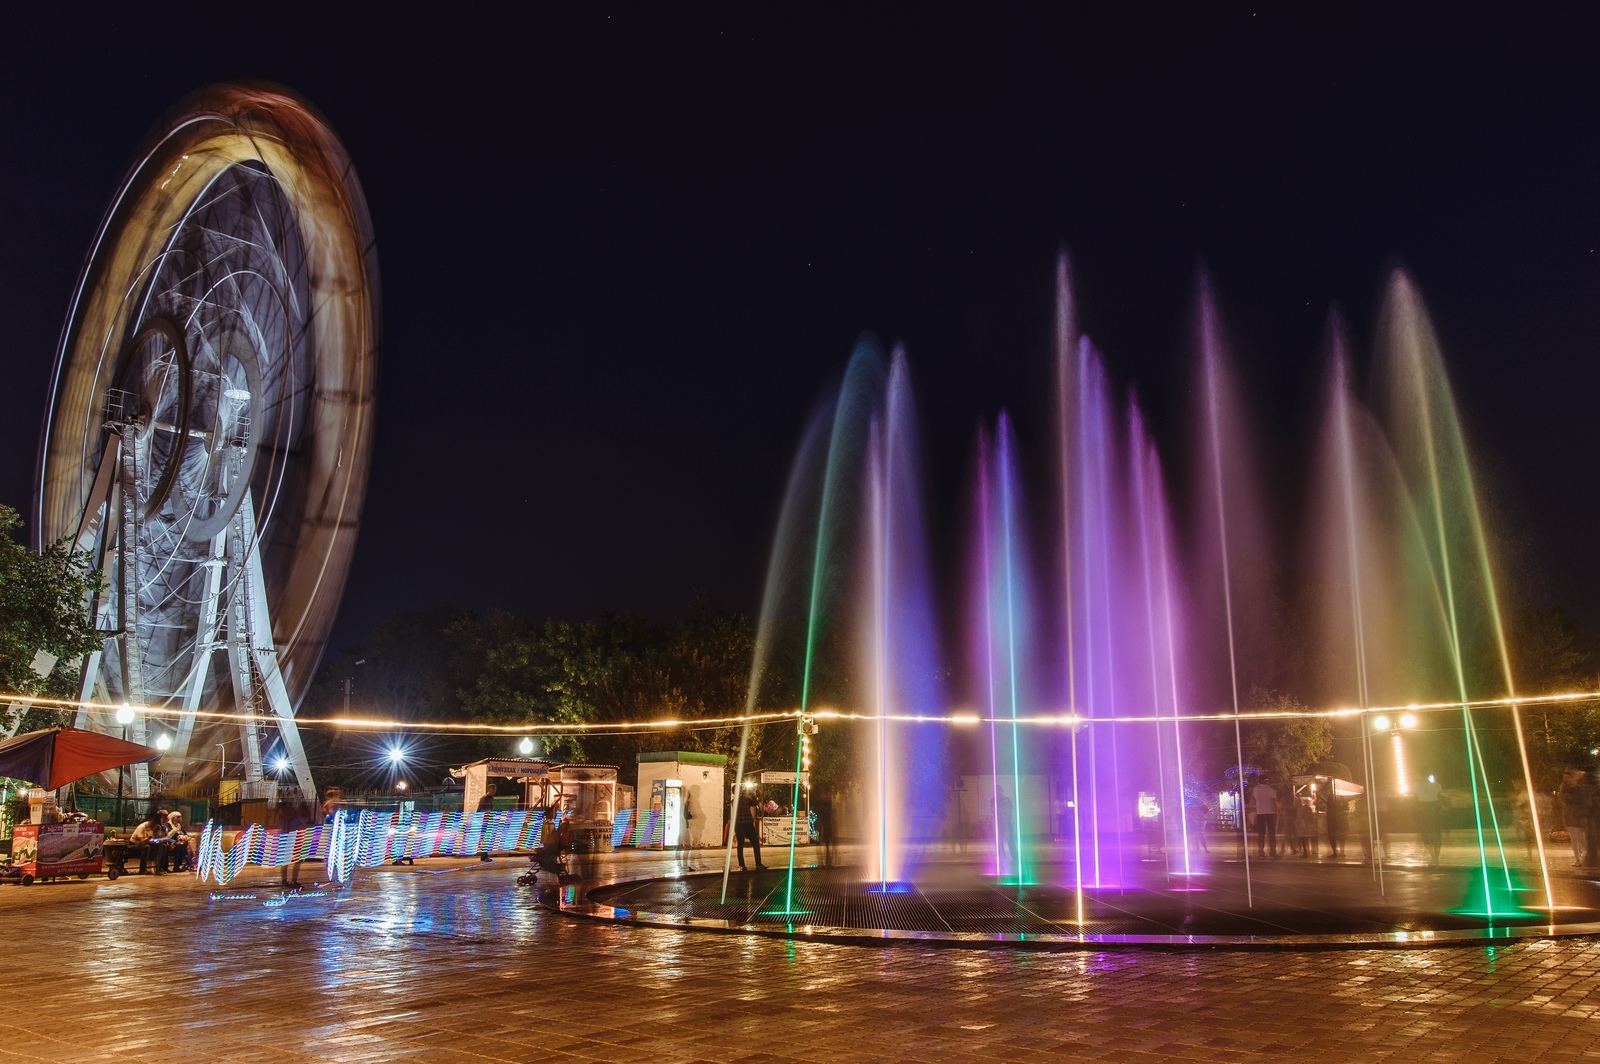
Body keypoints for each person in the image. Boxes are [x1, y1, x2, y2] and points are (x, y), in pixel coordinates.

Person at [278, 800, 310, 891]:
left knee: (297, 860)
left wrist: (303, 811)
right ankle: (284, 881)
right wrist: (296, 813)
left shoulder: (295, 813)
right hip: (286, 837)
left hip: (294, 837)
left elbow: (305, 819)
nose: (291, 806)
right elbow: (288, 817)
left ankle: (293, 880)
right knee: (286, 860)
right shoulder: (282, 811)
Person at [1560, 769, 1587, 867]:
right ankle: (1578, 859)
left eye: (1569, 778)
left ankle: (1583, 857)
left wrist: (1583, 816)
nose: (1567, 780)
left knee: (1581, 839)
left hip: (1578, 817)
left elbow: (1582, 803)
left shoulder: (1579, 789)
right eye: (1565, 778)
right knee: (1574, 839)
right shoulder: (1564, 789)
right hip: (1570, 817)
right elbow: (1563, 801)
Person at [1415, 772, 1444, 864]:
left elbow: (1415, 796)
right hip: (1435, 809)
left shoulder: (1417, 785)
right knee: (1436, 832)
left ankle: (1433, 856)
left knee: (1425, 833)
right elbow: (1440, 795)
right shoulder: (1436, 785)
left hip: (1423, 809)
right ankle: (1436, 856)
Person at [735, 791, 764, 871]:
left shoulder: (746, 799)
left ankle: (758, 864)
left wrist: (754, 794)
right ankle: (742, 865)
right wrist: (744, 796)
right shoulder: (735, 800)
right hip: (740, 824)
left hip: (748, 823)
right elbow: (741, 807)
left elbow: (754, 803)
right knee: (740, 845)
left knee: (756, 843)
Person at [1250, 779, 1279, 858]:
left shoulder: (1255, 790)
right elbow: (1275, 802)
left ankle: (1261, 852)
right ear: (1267, 781)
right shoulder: (1271, 790)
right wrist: (1277, 811)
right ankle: (1272, 852)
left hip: (1260, 813)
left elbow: (1253, 800)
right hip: (1270, 813)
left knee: (1261, 834)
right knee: (1271, 834)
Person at [130, 810, 164, 874]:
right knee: (146, 847)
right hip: (134, 845)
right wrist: (152, 835)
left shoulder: (156, 827)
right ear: (150, 819)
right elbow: (143, 841)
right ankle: (142, 869)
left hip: (148, 844)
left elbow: (157, 838)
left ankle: (159, 868)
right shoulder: (142, 827)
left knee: (162, 846)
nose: (154, 824)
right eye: (154, 822)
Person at [812, 792, 836, 868]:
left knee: (827, 847)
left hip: (826, 827)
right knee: (826, 847)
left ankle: (826, 863)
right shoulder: (824, 808)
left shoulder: (824, 808)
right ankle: (825, 863)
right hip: (825, 828)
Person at [477, 783, 498, 861]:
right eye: (492, 789)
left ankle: (485, 855)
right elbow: (480, 809)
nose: (494, 791)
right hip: (484, 820)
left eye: (495, 789)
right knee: (485, 838)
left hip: (487, 819)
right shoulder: (485, 798)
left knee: (486, 838)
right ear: (489, 789)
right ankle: (484, 855)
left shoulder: (491, 798)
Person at [996, 793, 1016, 875]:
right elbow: (994, 810)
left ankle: (1014, 855)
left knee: (1010, 838)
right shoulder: (994, 800)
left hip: (1007, 821)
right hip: (999, 822)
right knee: (999, 839)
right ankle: (1001, 855)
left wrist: (1004, 812)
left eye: (999, 790)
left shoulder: (1006, 799)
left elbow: (1010, 808)